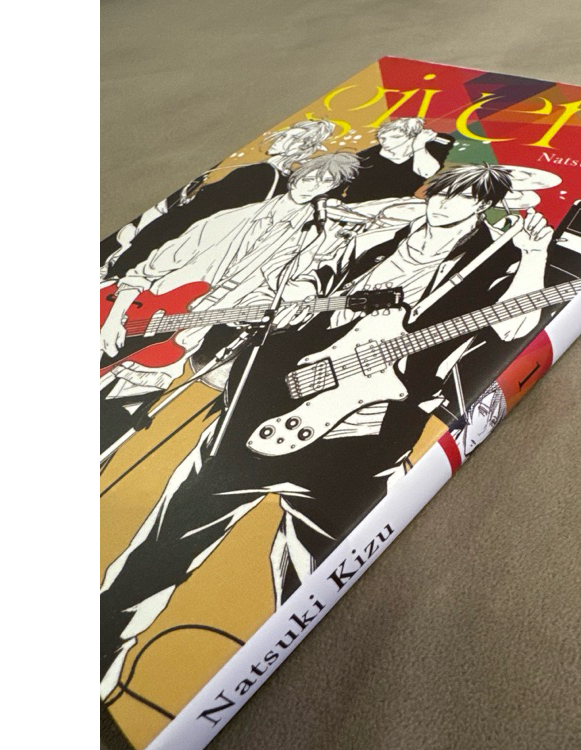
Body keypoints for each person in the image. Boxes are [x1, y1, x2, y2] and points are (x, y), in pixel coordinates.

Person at [100, 163, 556, 698]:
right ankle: (101, 646)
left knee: (326, 575)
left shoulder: (497, 257)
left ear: (483, 205)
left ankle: (300, 684)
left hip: (365, 437)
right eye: (442, 193)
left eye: (461, 199)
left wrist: (535, 254)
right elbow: (315, 276)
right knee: (167, 541)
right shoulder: (382, 232)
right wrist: (301, 291)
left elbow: (513, 326)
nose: (444, 204)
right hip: (269, 403)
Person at [100, 151, 359, 456]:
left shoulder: (309, 241)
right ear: (299, 174)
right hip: (133, 316)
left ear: (329, 191)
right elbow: (147, 270)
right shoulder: (231, 219)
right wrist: (113, 319)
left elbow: (285, 290)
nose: (313, 184)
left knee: (117, 421)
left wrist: (290, 305)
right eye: (312, 175)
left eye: (324, 182)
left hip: (179, 342)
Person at [101, 119, 336, 282]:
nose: (278, 138)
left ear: (301, 147)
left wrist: (182, 205)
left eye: (288, 137)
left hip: (182, 230)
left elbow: (208, 206)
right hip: (208, 246)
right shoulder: (285, 184)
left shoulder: (261, 173)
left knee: (124, 271)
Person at [329, 117, 453, 204]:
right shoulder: (364, 157)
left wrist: (419, 145)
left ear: (413, 137)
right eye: (382, 138)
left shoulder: (428, 147)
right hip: (357, 205)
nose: (386, 142)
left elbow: (426, 172)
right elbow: (336, 186)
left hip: (398, 207)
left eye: (395, 137)